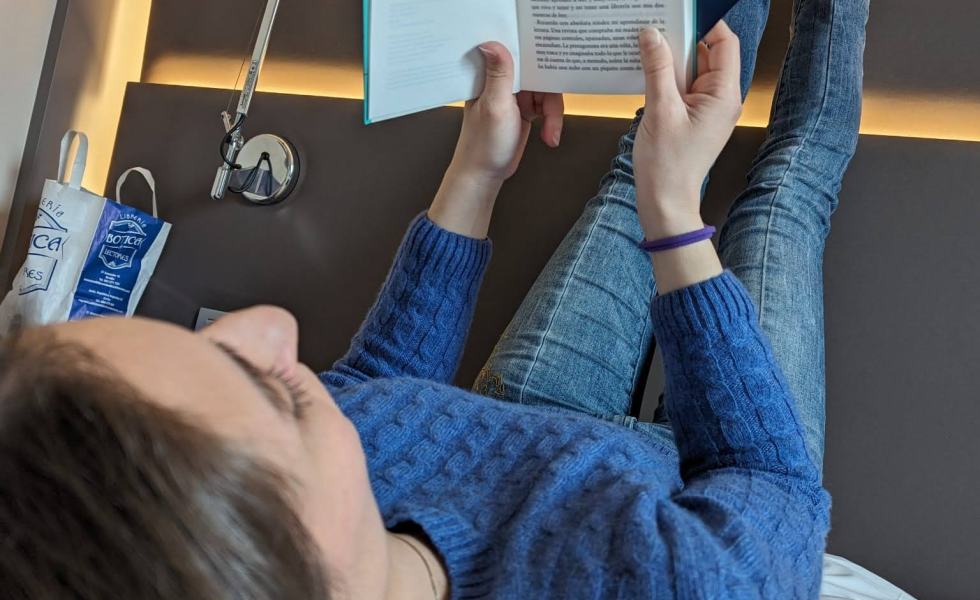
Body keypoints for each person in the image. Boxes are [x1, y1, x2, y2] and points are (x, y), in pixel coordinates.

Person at [0, 0, 869, 598]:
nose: (273, 327)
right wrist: (673, 217)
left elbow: (373, 390)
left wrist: (475, 175)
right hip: (726, 478)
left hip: (535, 420)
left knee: (641, 153)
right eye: (270, 391)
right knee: (789, 190)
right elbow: (770, 482)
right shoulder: (683, 582)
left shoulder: (319, 487)